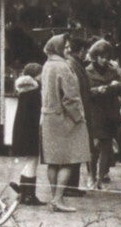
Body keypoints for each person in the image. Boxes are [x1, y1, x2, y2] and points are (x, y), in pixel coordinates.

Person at [39, 34, 91, 213]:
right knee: (70, 159)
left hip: (48, 118)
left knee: (52, 161)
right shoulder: (64, 67)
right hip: (65, 119)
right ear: (59, 47)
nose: (69, 50)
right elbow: (70, 98)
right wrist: (79, 117)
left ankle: (54, 197)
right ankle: (58, 198)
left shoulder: (47, 65)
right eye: (66, 47)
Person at [84, 40, 121, 189]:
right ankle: (91, 176)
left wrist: (116, 86)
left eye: (106, 57)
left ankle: (100, 179)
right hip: (94, 112)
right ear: (95, 56)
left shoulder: (113, 71)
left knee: (106, 147)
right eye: (101, 56)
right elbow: (84, 92)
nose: (104, 60)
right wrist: (96, 91)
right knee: (93, 148)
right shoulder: (87, 71)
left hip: (110, 112)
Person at [8, 62, 44, 205]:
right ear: (36, 75)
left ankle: (23, 190)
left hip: (22, 128)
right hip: (31, 129)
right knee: (33, 160)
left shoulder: (24, 89)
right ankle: (29, 195)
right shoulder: (35, 91)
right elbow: (37, 113)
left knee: (30, 160)